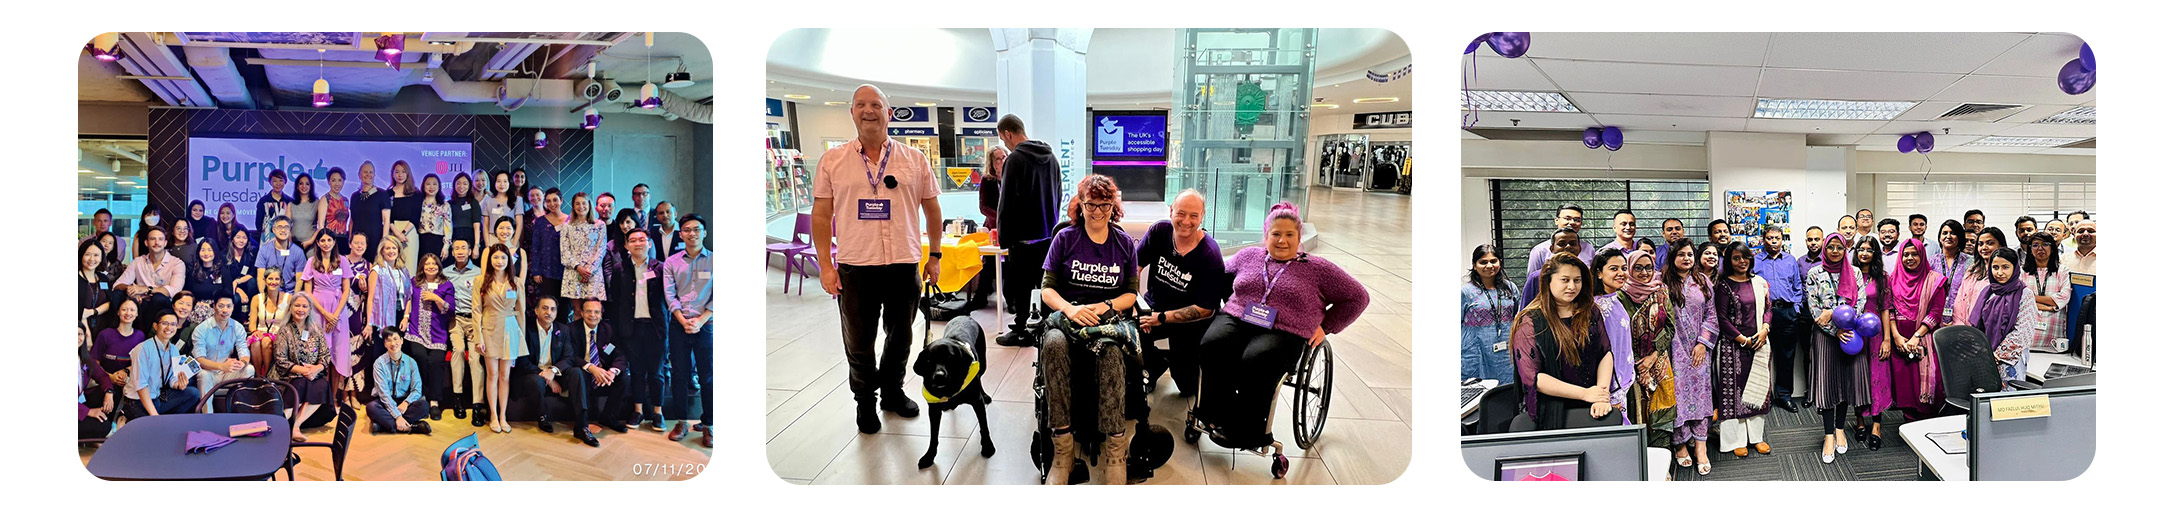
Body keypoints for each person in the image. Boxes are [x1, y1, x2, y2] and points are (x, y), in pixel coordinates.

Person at [812, 84, 945, 433]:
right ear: (852, 113)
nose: (868, 110)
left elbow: (932, 210)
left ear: (889, 113)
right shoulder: (833, 161)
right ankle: (864, 402)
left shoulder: (914, 160)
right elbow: (822, 216)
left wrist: (935, 255)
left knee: (901, 336)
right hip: (856, 266)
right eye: (860, 105)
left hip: (903, 264)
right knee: (859, 340)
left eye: (876, 105)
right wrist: (826, 265)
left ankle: (892, 392)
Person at [1035, 174, 1144, 485]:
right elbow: (1047, 290)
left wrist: (1106, 306)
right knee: (1053, 345)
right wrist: (1071, 308)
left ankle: (1115, 454)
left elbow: (1131, 294)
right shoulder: (1065, 239)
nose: (1097, 212)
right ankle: (1063, 452)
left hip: (1106, 320)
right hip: (1068, 318)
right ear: (1080, 206)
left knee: (1111, 354)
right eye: (1091, 205)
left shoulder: (1123, 243)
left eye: (1104, 205)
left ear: (1114, 207)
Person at [1135, 190, 1228, 397]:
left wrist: (1160, 319)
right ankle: (1153, 366)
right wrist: (1136, 303)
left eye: (1194, 216)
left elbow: (1205, 309)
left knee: (1188, 388)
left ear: (1202, 216)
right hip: (1154, 307)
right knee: (1129, 331)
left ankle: (1176, 365)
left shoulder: (1210, 254)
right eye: (1181, 213)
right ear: (1171, 211)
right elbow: (1135, 267)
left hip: (1191, 323)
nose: (1186, 221)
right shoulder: (1159, 231)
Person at [1508, 251, 1612, 431]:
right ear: (1548, 282)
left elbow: (1605, 353)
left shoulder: (1590, 311)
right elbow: (1533, 377)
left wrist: (1601, 394)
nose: (1572, 286)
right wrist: (1585, 394)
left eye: (1577, 280)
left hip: (1593, 406)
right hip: (1551, 413)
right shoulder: (1529, 321)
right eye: (1565, 280)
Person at [994, 113, 1065, 348]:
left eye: (1004, 140)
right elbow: (1059, 195)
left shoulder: (1014, 160)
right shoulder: (1051, 157)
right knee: (1045, 285)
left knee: (1020, 288)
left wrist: (1003, 237)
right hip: (1047, 236)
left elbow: (1006, 203)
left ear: (1008, 133)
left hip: (1022, 239)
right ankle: (1046, 329)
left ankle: (1022, 331)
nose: (1006, 144)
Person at [1803, 233, 1867, 463]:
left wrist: (1842, 322)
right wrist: (1835, 329)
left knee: (1845, 383)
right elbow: (1814, 309)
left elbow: (1859, 303)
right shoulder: (1814, 273)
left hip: (1850, 336)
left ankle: (1841, 428)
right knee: (1828, 385)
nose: (1835, 251)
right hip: (1826, 337)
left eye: (1839, 247)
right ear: (1824, 249)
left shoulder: (1855, 272)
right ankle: (1828, 434)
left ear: (1845, 249)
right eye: (1830, 247)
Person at [1711, 242, 1774, 458]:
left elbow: (1768, 308)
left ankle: (1756, 437)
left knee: (1759, 389)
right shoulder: (1724, 285)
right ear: (1729, 261)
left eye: (1745, 257)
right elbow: (1721, 318)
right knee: (1733, 394)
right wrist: (1742, 340)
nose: (1741, 261)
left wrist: (1765, 329)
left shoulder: (1759, 282)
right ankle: (1734, 440)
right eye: (1736, 258)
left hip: (1759, 343)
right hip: (1732, 347)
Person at [1661, 239, 1717, 474]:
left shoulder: (1702, 281)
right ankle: (1681, 444)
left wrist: (1703, 343)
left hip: (1698, 351)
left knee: (1702, 397)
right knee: (1677, 397)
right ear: (1673, 257)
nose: (1686, 258)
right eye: (1681, 254)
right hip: (1672, 351)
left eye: (1690, 255)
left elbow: (1711, 315)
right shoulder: (1661, 282)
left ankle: (1701, 448)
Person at [609, 229, 673, 431]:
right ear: (627, 245)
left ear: (650, 243)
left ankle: (657, 412)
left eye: (642, 240)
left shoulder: (661, 268)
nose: (638, 243)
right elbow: (616, 300)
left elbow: (668, 298)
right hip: (632, 327)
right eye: (633, 240)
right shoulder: (620, 269)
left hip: (656, 328)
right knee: (636, 371)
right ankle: (638, 411)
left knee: (656, 372)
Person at [1880, 238, 1945, 426]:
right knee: (1905, 386)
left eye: (1914, 254)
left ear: (1922, 255)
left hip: (1925, 342)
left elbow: (1936, 312)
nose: (1910, 258)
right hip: (1900, 342)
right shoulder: (1893, 279)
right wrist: (1896, 337)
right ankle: (1910, 424)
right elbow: (1889, 309)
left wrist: (1916, 337)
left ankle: (1927, 424)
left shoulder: (1935, 280)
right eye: (1906, 254)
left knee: (1926, 386)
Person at [664, 214, 714, 446]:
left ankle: (709, 424)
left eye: (696, 229)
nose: (692, 233)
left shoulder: (715, 261)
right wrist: (683, 320)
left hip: (707, 325)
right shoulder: (671, 262)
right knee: (679, 375)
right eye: (687, 230)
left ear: (704, 232)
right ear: (680, 234)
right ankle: (681, 421)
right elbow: (669, 294)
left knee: (708, 377)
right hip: (678, 324)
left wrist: (701, 321)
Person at [1618, 248, 1677, 439]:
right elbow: (1618, 335)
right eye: (1638, 268)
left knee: (1663, 408)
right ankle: (1641, 459)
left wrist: (1653, 357)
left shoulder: (1661, 291)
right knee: (1636, 410)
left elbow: (1669, 327)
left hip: (1658, 358)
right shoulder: (1620, 296)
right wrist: (1640, 366)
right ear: (1629, 269)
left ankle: (1663, 452)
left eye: (1649, 268)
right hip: (1629, 364)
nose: (1645, 273)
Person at [1752, 227, 1806, 411]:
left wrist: (1796, 309)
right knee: (1760, 356)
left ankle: (1784, 396)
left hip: (1787, 314)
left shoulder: (1790, 260)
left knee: (1786, 356)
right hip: (1762, 315)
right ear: (1763, 240)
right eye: (1769, 238)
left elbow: (1798, 286)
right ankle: (1762, 398)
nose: (1773, 241)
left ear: (1782, 240)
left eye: (1777, 238)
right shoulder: (1754, 260)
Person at [476, 241, 527, 434]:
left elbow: (521, 311)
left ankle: (504, 415)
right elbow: (476, 311)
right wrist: (478, 337)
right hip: (489, 328)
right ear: (490, 260)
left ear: (509, 260)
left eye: (503, 257)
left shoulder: (516, 282)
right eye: (495, 257)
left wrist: (520, 336)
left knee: (505, 376)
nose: (499, 261)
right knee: (492, 374)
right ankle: (493, 416)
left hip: (510, 330)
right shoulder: (481, 281)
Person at [1846, 236, 1891, 449]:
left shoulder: (1882, 277)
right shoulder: (1848, 276)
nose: (1864, 253)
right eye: (1861, 249)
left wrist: (1887, 340)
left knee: (1877, 379)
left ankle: (1877, 425)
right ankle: (1860, 421)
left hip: (1875, 336)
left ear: (1875, 254)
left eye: (1869, 250)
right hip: (1854, 336)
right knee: (1857, 379)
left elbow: (1885, 309)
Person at [298, 229, 356, 386]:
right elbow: (308, 292)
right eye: (322, 240)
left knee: (338, 351)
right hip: (318, 310)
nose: (326, 243)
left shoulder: (342, 260)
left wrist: (335, 315)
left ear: (334, 242)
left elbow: (346, 290)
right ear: (317, 243)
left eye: (329, 240)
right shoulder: (311, 262)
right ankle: (320, 395)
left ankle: (334, 397)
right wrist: (325, 314)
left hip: (338, 310)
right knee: (319, 351)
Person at [574, 300, 635, 445]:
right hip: (584, 371)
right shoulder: (572, 329)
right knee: (578, 375)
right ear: (582, 313)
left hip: (603, 373)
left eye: (596, 312)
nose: (592, 315)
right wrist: (591, 368)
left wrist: (612, 372)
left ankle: (609, 417)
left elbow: (619, 354)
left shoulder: (608, 330)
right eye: (588, 311)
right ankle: (583, 426)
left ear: (601, 314)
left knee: (624, 378)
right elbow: (571, 356)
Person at [274, 295, 332, 442]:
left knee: (321, 385)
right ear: (291, 308)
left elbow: (325, 355)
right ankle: (280, 423)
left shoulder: (316, 330)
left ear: (310, 309)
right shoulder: (284, 331)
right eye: (297, 306)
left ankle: (295, 426)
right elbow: (280, 360)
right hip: (290, 375)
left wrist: (316, 368)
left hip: (313, 374)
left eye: (304, 306)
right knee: (301, 383)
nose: (300, 309)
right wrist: (304, 371)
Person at [1974, 249, 2036, 384]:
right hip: (1985, 357)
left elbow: (2023, 332)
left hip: (2009, 360)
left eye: (2005, 267)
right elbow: (1977, 326)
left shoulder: (2025, 294)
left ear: (2015, 268)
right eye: (1995, 267)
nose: (2000, 272)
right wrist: (1984, 354)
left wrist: (1996, 356)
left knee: (2007, 401)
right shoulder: (1988, 291)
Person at [1462, 244, 1520, 386]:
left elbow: (1516, 314)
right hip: (1476, 352)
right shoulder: (1466, 292)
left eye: (1493, 261)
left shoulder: (1510, 288)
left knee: (1505, 393)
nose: (1489, 265)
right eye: (1483, 262)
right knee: (1477, 394)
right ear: (1475, 265)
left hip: (1506, 352)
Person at [444, 237, 487, 426]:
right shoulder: (445, 273)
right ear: (452, 252)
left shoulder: (479, 272)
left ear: (470, 251)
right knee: (459, 351)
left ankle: (478, 404)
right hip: (455, 319)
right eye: (456, 249)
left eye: (464, 248)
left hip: (475, 320)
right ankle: (458, 398)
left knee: (475, 358)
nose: (460, 251)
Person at [406, 253, 455, 419]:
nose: (430, 267)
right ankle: (422, 398)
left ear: (439, 266)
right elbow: (408, 300)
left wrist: (435, 298)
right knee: (419, 358)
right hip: (416, 332)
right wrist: (405, 317)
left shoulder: (446, 285)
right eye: (427, 264)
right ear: (422, 266)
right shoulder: (415, 282)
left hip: (437, 333)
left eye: (434, 264)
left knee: (436, 362)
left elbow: (450, 308)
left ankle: (434, 401)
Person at [127, 310, 201, 419]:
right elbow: (140, 385)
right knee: (152, 431)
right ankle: (154, 420)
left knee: (193, 393)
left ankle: (167, 421)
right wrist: (154, 415)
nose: (169, 328)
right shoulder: (142, 349)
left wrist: (178, 384)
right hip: (138, 401)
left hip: (158, 397)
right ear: (155, 326)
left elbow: (171, 378)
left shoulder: (174, 350)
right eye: (165, 323)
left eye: (173, 324)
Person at [363, 237, 412, 395]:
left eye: (394, 248)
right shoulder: (377, 270)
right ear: (382, 251)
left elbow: (409, 296)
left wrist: (406, 316)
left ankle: (397, 389)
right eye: (387, 248)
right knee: (381, 355)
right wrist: (369, 323)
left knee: (398, 353)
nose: (391, 251)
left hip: (399, 316)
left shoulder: (403, 270)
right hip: (382, 319)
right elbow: (370, 298)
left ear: (398, 251)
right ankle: (379, 390)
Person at [1590, 250, 1636, 414]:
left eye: (1624, 268)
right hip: (1610, 385)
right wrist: (1607, 390)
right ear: (1599, 273)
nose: (1620, 273)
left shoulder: (1617, 298)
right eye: (1613, 269)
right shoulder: (1598, 307)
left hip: (1623, 379)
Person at [115, 227, 186, 331]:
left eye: (160, 239)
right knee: (116, 294)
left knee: (158, 298)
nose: (157, 242)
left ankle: (148, 335)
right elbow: (118, 284)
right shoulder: (138, 261)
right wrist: (132, 290)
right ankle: (118, 333)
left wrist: (145, 289)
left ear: (165, 243)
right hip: (140, 302)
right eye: (153, 239)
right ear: (146, 243)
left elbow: (175, 290)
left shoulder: (177, 263)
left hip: (162, 305)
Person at [367, 327, 432, 435]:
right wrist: (397, 416)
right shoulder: (379, 364)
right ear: (384, 344)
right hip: (385, 402)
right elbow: (384, 395)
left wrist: (406, 403)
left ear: (402, 341)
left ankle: (382, 425)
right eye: (389, 340)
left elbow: (417, 390)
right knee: (371, 407)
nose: (393, 343)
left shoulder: (411, 362)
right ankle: (412, 427)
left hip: (403, 402)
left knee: (424, 406)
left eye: (396, 339)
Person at [2020, 233, 2072, 353]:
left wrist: (2032, 298)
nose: (2040, 248)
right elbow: (2019, 299)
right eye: (2035, 245)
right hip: (2027, 329)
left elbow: (2063, 297)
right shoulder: (2022, 272)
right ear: (2030, 249)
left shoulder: (2062, 270)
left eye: (2045, 244)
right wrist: (2046, 307)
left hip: (2054, 329)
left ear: (2053, 248)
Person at [190, 296, 251, 398]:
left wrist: (242, 363)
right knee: (203, 375)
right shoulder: (201, 329)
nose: (225, 310)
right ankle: (207, 413)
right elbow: (199, 359)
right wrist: (221, 366)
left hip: (228, 372)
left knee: (249, 369)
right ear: (214, 307)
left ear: (233, 307)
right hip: (209, 371)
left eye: (228, 306)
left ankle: (241, 408)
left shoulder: (238, 327)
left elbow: (243, 350)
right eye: (221, 306)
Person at [560, 191, 608, 306]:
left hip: (593, 273)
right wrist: (578, 268)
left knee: (593, 310)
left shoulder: (599, 225)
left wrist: (588, 271)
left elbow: (601, 250)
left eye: (583, 203)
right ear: (573, 206)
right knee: (577, 311)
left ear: (589, 205)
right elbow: (564, 251)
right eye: (577, 203)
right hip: (573, 272)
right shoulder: (567, 226)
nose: (581, 206)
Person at [1952, 228, 2008, 326]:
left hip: (1990, 331)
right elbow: (1959, 301)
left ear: (2001, 246)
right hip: (1965, 329)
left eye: (1989, 243)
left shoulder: (2007, 273)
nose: (1984, 247)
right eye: (1980, 244)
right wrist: (1960, 327)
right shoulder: (1972, 270)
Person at [528, 188, 568, 319]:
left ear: (561, 201)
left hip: (567, 271)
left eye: (555, 200)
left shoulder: (570, 221)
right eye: (549, 201)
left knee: (564, 308)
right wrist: (536, 271)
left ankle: (562, 336)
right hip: (547, 271)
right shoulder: (540, 221)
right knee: (548, 307)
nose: (552, 204)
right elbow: (536, 247)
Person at [1520, 227, 1586, 306]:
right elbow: (1525, 311)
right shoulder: (1537, 277)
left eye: (1573, 244)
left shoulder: (1585, 275)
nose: (1568, 247)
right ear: (1552, 249)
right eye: (1561, 244)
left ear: (1579, 248)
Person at [246, 268, 291, 375]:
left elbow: (290, 322)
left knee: (266, 341)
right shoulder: (256, 299)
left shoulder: (288, 298)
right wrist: (254, 331)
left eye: (276, 279)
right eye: (270, 278)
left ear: (281, 281)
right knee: (255, 341)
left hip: (280, 334)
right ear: (265, 280)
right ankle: (258, 375)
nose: (273, 282)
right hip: (261, 332)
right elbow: (252, 324)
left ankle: (267, 374)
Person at [1528, 204, 1594, 273]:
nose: (1572, 222)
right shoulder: (1540, 251)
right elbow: (1533, 280)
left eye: (1577, 220)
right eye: (1567, 218)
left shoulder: (1588, 249)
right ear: (1556, 220)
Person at [385, 161, 425, 272]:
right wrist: (397, 233)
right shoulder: (388, 194)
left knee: (409, 266)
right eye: (397, 172)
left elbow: (415, 216)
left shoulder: (416, 193)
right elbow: (388, 218)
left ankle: (409, 289)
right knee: (392, 266)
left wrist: (403, 233)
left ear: (408, 173)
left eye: (403, 171)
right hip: (392, 230)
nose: (400, 175)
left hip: (409, 232)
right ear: (392, 174)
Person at [79, 324, 117, 440]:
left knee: (114, 390)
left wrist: (109, 393)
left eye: (79, 334)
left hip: (80, 402)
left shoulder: (84, 358)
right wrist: (88, 412)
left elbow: (103, 377)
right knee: (103, 426)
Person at [1934, 220, 1976, 323]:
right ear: (1940, 238)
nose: (1948, 236)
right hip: (1935, 316)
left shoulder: (1971, 262)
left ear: (1960, 237)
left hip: (1963, 317)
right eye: (1944, 233)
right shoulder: (1931, 262)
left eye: (1953, 233)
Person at [255, 217, 307, 294]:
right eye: (279, 227)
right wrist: (264, 297)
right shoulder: (264, 250)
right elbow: (260, 277)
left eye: (286, 227)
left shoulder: (298, 252)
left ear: (290, 230)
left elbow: (299, 280)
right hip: (270, 293)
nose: (283, 230)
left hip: (289, 293)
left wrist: (294, 300)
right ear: (273, 230)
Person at [479, 170, 520, 256]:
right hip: (492, 239)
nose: (502, 184)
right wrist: (487, 245)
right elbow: (485, 225)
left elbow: (519, 225)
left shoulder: (517, 200)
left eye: (505, 181)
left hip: (510, 239)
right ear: (494, 183)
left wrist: (513, 244)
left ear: (510, 183)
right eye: (499, 181)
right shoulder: (488, 201)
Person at [79, 240, 113, 330]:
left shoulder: (103, 278)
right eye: (88, 254)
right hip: (81, 330)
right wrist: (87, 335)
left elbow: (110, 302)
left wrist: (93, 312)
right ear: (81, 255)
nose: (91, 259)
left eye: (96, 255)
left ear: (101, 258)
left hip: (103, 327)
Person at [420, 174, 452, 262]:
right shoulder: (418, 203)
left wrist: (446, 246)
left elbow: (448, 226)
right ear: (423, 186)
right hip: (421, 240)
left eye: (434, 184)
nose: (431, 187)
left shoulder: (444, 205)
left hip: (437, 241)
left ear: (439, 187)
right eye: (428, 184)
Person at [450, 172, 481, 257]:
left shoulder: (474, 203)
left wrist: (476, 246)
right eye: (458, 183)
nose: (461, 186)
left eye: (465, 183)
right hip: (453, 237)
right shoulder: (449, 204)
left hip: (470, 237)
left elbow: (477, 226)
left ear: (469, 185)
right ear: (454, 185)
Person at [256, 170, 291, 242]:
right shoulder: (263, 201)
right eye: (275, 181)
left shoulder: (289, 201)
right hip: (267, 240)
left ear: (285, 182)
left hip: (285, 241)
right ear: (270, 182)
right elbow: (258, 225)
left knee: (284, 253)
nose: (278, 184)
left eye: (281, 180)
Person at [289, 172, 322, 246]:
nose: (304, 186)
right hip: (294, 244)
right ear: (297, 186)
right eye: (301, 183)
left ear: (311, 186)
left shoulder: (317, 203)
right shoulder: (291, 204)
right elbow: (286, 226)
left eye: (307, 184)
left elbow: (321, 226)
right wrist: (290, 244)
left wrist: (310, 241)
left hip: (311, 244)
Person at [978, 146, 1006, 232]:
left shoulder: (1013, 176)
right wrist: (999, 217)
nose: (1002, 161)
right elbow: (983, 207)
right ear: (991, 163)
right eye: (998, 159)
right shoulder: (987, 179)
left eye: (1004, 157)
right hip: (994, 226)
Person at [323, 168, 350, 241]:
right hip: (329, 241)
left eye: (340, 180)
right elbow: (321, 224)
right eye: (333, 180)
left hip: (344, 238)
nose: (337, 184)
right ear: (329, 182)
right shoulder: (325, 199)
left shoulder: (345, 200)